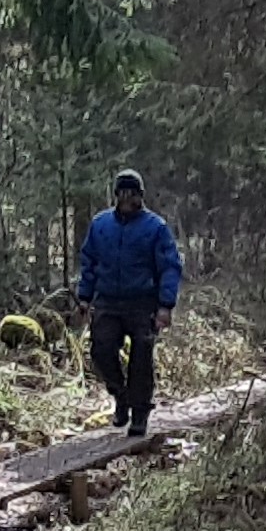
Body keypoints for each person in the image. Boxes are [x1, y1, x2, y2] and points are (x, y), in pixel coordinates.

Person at [75, 169, 183, 436]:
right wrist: (84, 297)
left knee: (141, 359)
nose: (126, 199)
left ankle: (140, 412)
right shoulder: (101, 225)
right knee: (101, 351)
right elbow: (89, 262)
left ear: (140, 196)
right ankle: (120, 396)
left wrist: (165, 306)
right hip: (108, 301)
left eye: (131, 194)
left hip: (143, 302)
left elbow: (170, 267)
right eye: (122, 194)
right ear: (116, 196)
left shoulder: (155, 228)